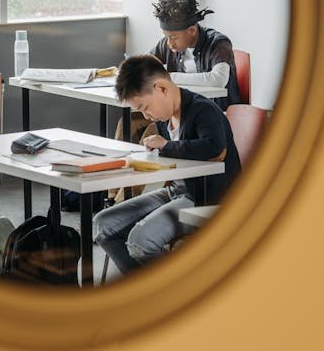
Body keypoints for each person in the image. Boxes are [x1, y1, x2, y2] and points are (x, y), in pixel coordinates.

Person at [94, 54, 241, 275]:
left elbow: (216, 150)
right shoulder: (164, 118)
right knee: (102, 224)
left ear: (162, 88)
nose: (146, 115)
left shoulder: (203, 110)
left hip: (208, 199)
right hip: (177, 192)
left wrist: (166, 146)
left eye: (146, 107)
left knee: (140, 240)